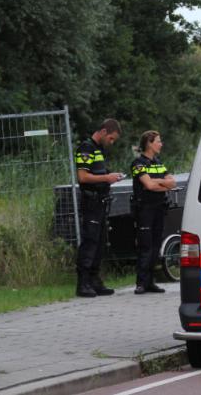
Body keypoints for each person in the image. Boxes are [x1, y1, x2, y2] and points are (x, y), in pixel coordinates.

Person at [75, 118, 123, 298]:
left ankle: (95, 280)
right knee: (90, 241)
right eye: (111, 138)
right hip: (91, 201)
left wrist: (110, 176)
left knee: (101, 241)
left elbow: (100, 173)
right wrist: (106, 178)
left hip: (101, 201)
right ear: (103, 132)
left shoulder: (99, 150)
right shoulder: (86, 149)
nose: (111, 142)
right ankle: (83, 283)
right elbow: (83, 177)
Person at [131, 130, 176, 294]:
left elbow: (172, 183)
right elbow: (148, 186)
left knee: (156, 245)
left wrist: (157, 181)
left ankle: (151, 282)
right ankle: (141, 283)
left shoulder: (158, 162)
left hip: (159, 208)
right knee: (145, 246)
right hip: (145, 210)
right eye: (158, 141)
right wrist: (161, 183)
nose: (161, 144)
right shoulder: (138, 163)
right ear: (149, 143)